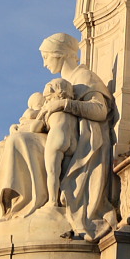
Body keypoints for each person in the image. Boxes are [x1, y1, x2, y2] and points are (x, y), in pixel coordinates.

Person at [0, 33, 116, 240]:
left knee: (19, 143)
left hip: (76, 144)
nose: (44, 64)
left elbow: (100, 111)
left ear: (60, 54)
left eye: (46, 57)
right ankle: (12, 211)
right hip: (51, 134)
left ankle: (38, 202)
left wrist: (64, 104)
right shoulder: (60, 83)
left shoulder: (84, 78)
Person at [36, 78, 81, 209]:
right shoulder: (70, 105)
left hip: (57, 136)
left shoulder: (51, 106)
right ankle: (66, 202)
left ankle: (53, 201)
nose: (47, 100)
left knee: (53, 172)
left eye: (48, 97)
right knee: (65, 175)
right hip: (73, 140)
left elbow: (37, 126)